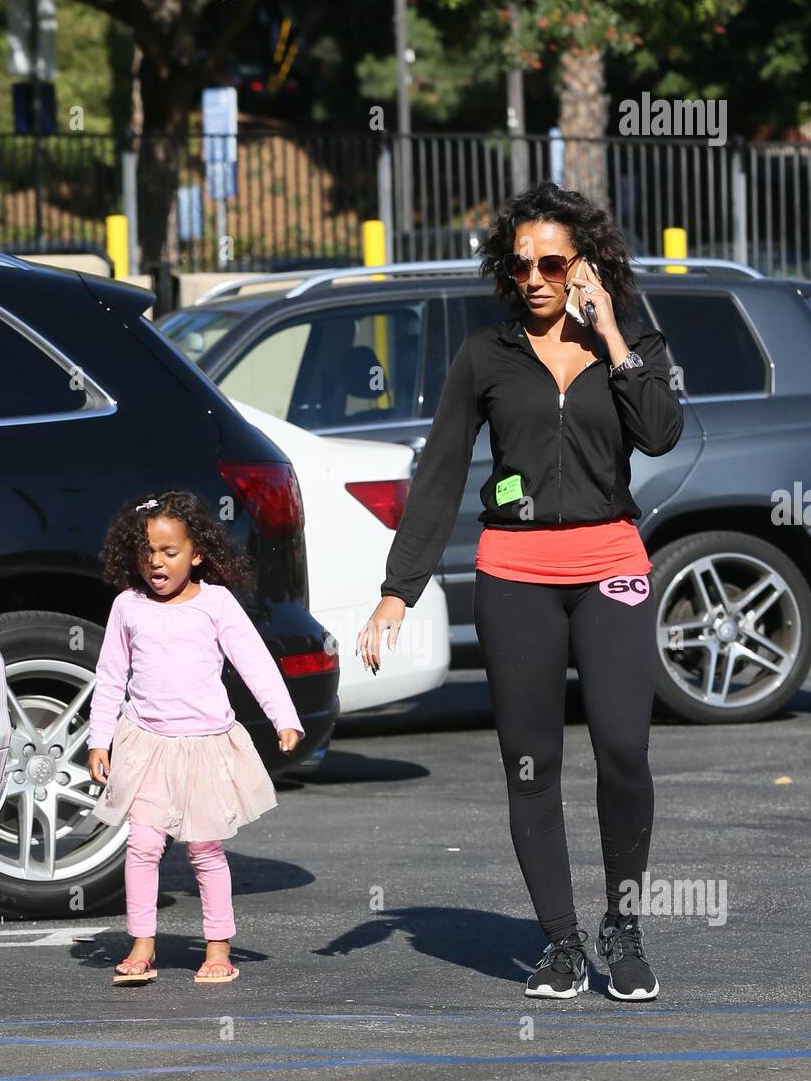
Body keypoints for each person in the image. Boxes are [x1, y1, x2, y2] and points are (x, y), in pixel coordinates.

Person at [356, 181, 683, 1001]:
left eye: (552, 263)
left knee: (623, 748)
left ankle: (624, 925)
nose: (534, 277)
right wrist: (400, 588)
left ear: (586, 266)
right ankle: (564, 943)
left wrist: (610, 330)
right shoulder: (486, 357)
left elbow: (660, 431)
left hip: (610, 562)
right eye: (520, 264)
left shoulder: (631, 339)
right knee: (531, 764)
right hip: (515, 575)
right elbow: (438, 473)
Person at [87, 490, 304, 986]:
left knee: (205, 848)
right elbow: (109, 676)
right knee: (142, 844)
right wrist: (100, 740)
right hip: (146, 745)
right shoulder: (128, 606)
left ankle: (218, 946)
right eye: (147, 552)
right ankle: (142, 944)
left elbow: (254, 662)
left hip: (205, 745)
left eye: (170, 552)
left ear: (197, 553)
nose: (156, 563)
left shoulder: (216, 604)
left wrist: (283, 718)